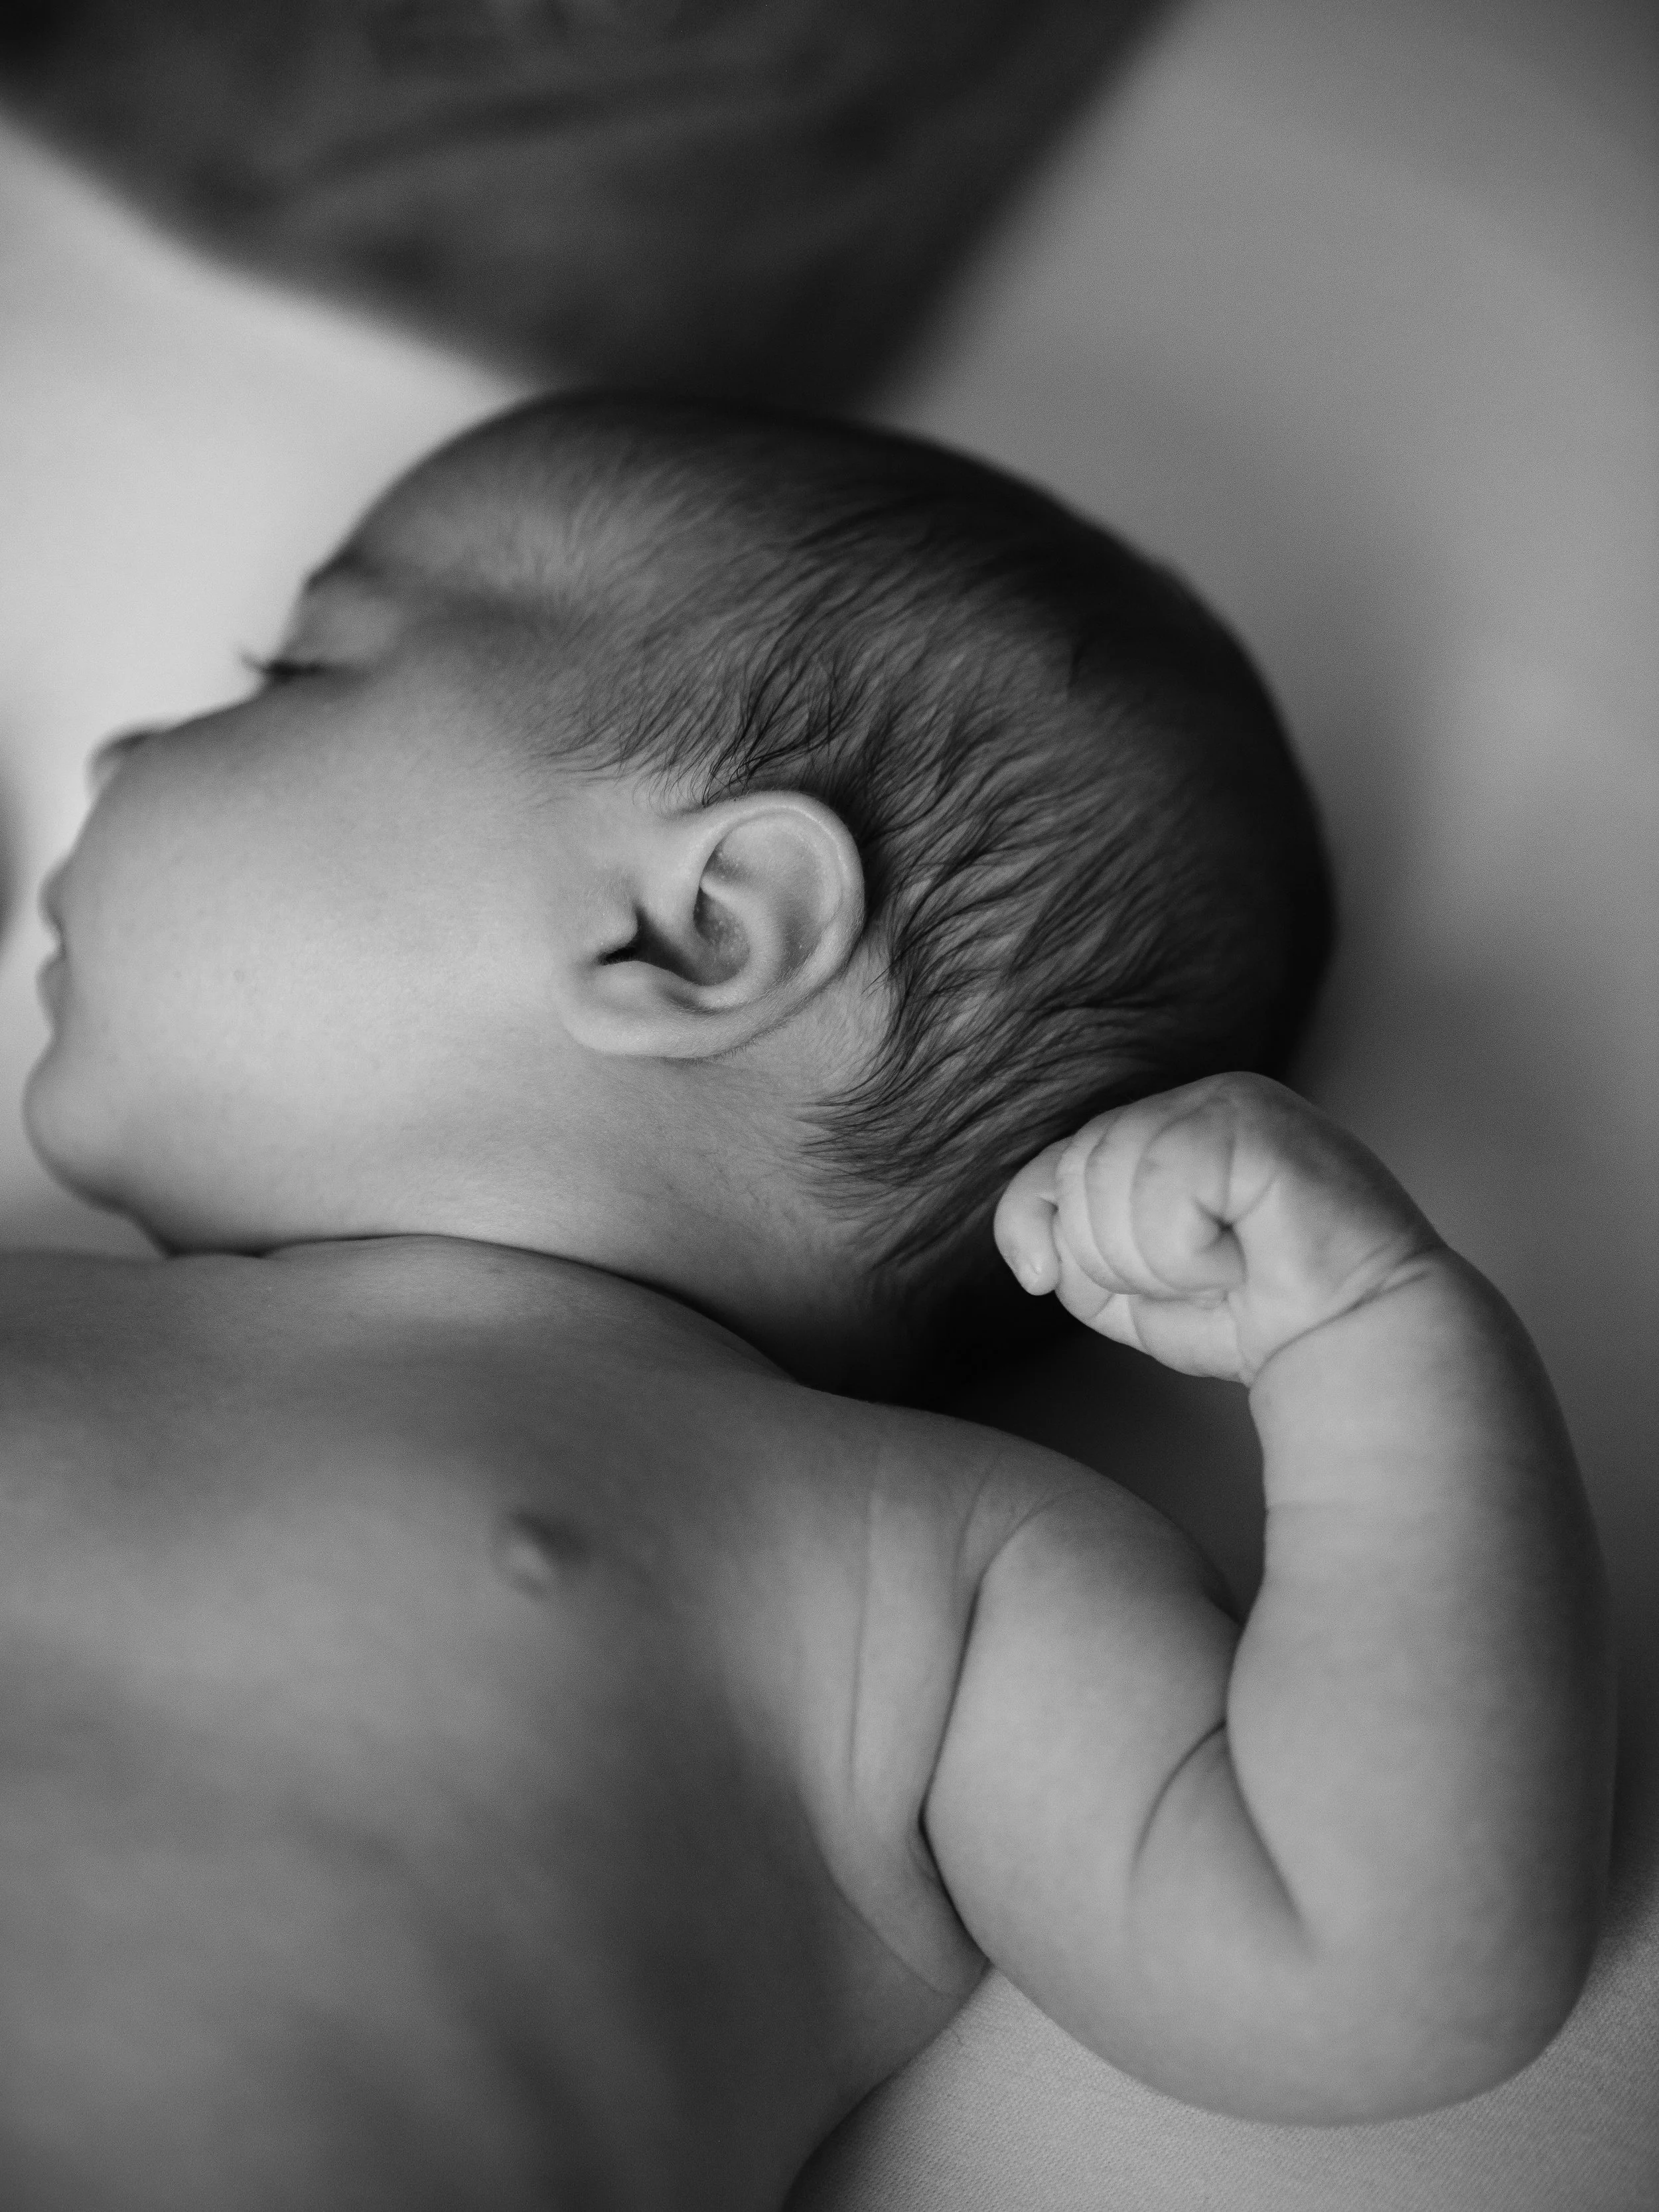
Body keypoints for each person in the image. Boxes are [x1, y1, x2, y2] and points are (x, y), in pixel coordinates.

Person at [2, 394, 1611, 2211]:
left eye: (294, 666)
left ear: (696, 928)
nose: (131, 742)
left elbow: (1379, 1967)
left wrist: (1373, 1349)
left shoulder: (902, 1560)